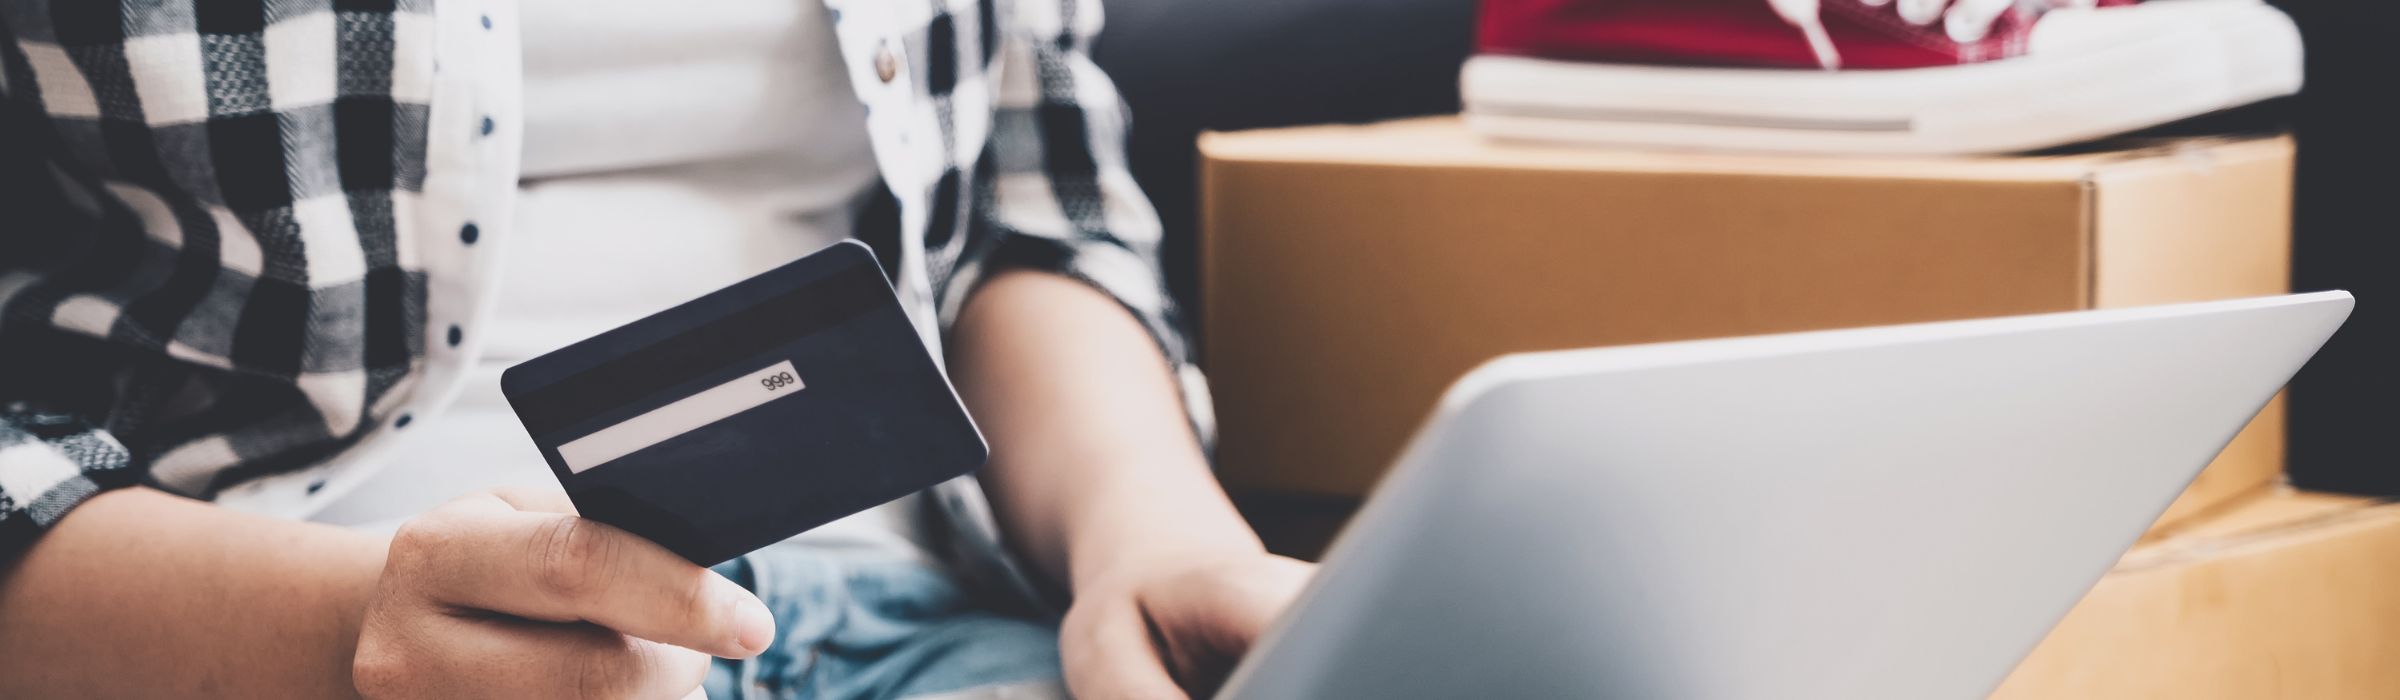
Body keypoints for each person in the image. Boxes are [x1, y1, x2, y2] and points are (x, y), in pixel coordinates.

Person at [0, 0, 1310, 697]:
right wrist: (333, 636)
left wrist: (1158, 546)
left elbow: (1027, 213)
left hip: (918, 610)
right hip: (250, 631)